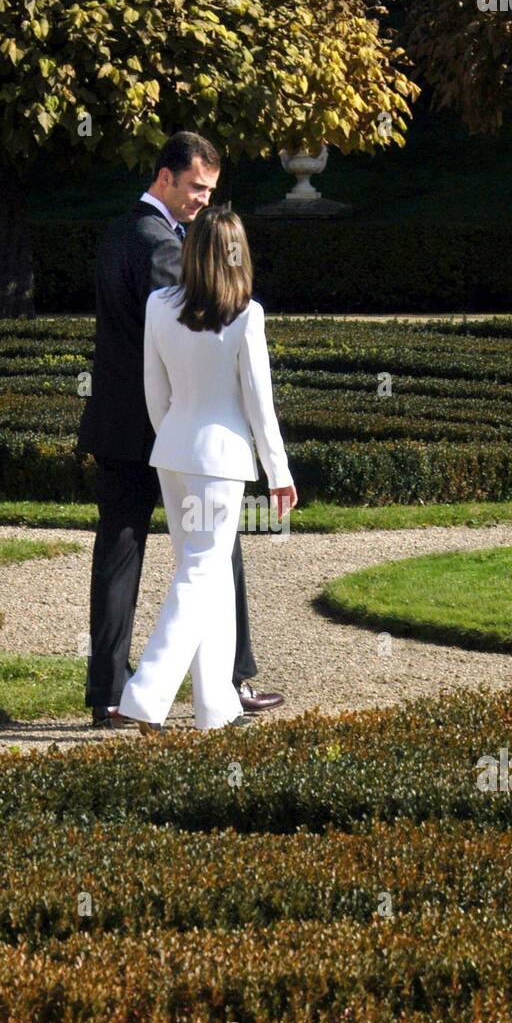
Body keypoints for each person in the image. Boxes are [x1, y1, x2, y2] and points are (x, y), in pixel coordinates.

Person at [77, 131, 285, 727]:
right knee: (212, 559)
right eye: (196, 187)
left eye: (210, 190)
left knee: (119, 552)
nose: (203, 199)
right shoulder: (162, 247)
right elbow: (202, 318)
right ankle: (223, 681)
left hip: (118, 424)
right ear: (165, 177)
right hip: (170, 430)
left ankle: (110, 691)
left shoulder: (119, 231)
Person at [116, 205, 297, 732]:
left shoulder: (159, 304)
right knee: (201, 574)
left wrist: (174, 440)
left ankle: (216, 704)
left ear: (192, 252)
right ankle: (145, 694)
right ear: (236, 256)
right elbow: (260, 405)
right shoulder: (247, 314)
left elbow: (156, 392)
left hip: (172, 453)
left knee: (207, 576)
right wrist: (279, 473)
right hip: (219, 463)